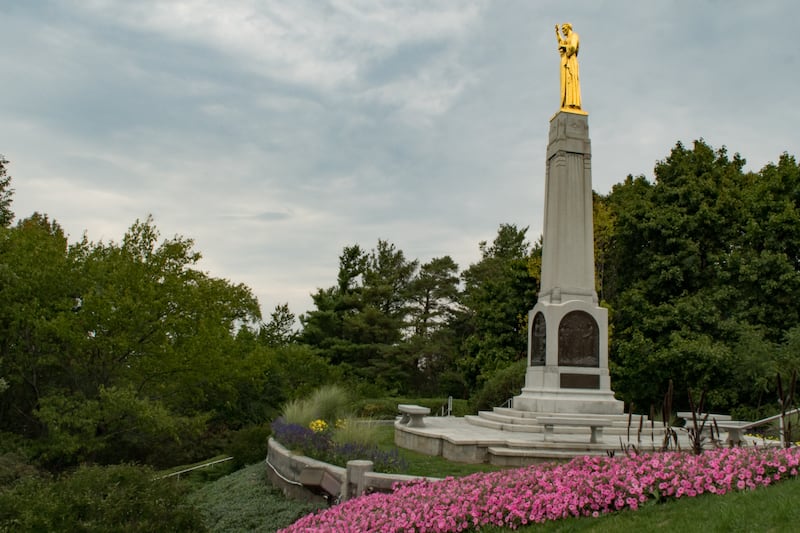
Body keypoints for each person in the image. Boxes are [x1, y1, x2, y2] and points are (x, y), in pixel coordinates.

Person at [555, 23, 581, 110]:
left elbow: (573, 47)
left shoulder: (574, 36)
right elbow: (561, 42)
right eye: (562, 29)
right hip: (566, 62)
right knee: (566, 83)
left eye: (563, 28)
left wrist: (564, 47)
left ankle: (572, 103)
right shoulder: (567, 39)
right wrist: (557, 33)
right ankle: (566, 102)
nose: (563, 31)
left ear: (568, 28)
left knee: (571, 81)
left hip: (571, 61)